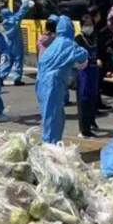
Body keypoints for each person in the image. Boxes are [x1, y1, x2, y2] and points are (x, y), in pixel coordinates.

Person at [36, 15, 88, 143]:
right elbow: (83, 55)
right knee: (53, 118)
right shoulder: (67, 44)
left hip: (42, 83)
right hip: (52, 84)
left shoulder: (55, 43)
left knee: (53, 115)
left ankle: (52, 144)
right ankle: (50, 147)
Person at [75, 14, 100, 138]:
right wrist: (91, 61)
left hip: (94, 72)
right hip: (83, 72)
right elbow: (77, 57)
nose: (89, 27)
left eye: (91, 24)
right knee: (83, 99)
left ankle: (91, 122)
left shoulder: (94, 37)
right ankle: (84, 129)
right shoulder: (79, 39)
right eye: (86, 25)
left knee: (92, 97)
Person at [0, 0, 34, 85]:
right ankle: (17, 79)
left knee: (7, 61)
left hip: (8, 45)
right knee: (18, 60)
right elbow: (21, 13)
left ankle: (1, 77)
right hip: (16, 44)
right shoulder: (14, 20)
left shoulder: (4, 23)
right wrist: (25, 4)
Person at [89, 5, 113, 110]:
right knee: (97, 82)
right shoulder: (92, 28)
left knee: (97, 82)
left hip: (99, 56)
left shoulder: (94, 26)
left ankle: (97, 104)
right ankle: (96, 105)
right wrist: (97, 58)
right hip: (97, 58)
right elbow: (94, 45)